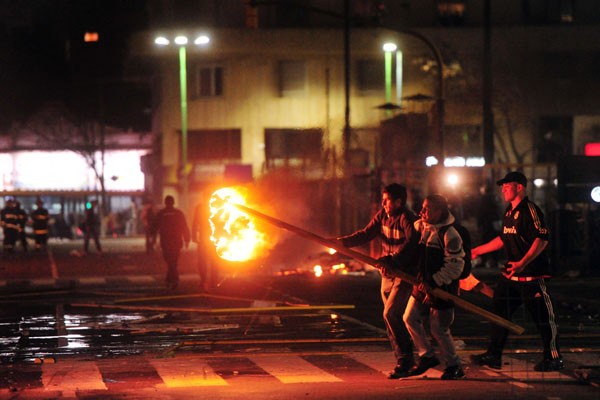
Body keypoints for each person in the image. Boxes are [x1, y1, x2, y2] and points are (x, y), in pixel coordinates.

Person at [470, 171, 563, 372]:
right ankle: (493, 355)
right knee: (499, 312)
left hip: (531, 275)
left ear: (519, 187)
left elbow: (542, 239)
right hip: (512, 274)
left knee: (543, 318)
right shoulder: (509, 212)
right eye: (502, 186)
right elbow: (503, 238)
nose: (503, 189)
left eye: (507, 185)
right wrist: (478, 250)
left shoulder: (531, 210)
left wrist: (522, 262)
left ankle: (553, 357)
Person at [336, 183, 419, 379]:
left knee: (391, 314)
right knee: (390, 317)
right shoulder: (382, 215)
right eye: (383, 199)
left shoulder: (407, 218)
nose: (383, 203)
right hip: (387, 274)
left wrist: (393, 261)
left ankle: (407, 359)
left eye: (387, 200)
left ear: (398, 202)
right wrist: (342, 242)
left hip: (403, 274)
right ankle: (404, 357)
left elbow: (412, 244)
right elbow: (366, 234)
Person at [403, 194, 465, 380]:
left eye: (426, 208)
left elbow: (456, 267)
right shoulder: (422, 227)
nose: (422, 211)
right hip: (422, 285)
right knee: (409, 317)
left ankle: (454, 366)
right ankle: (427, 356)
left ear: (438, 212)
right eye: (422, 207)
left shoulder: (450, 235)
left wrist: (435, 282)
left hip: (441, 288)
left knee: (439, 328)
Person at [152, 195, 191, 290]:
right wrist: (187, 239)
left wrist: (153, 240)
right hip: (176, 241)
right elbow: (184, 227)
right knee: (174, 261)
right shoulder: (178, 213)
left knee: (169, 261)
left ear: (165, 203)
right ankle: (173, 279)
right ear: (173, 202)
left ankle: (171, 279)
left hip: (165, 241)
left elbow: (154, 227)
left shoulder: (161, 213)